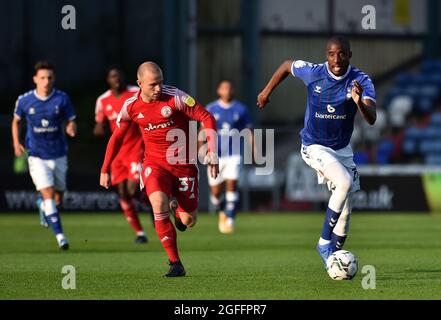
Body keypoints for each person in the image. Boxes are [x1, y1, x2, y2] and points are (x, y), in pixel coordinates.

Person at [257, 36, 377, 268]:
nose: (336, 59)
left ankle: (333, 260)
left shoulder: (361, 80)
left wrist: (359, 101)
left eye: (341, 53)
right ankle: (323, 243)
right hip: (314, 146)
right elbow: (285, 66)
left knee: (346, 210)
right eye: (332, 54)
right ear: (326, 55)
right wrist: (265, 92)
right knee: (343, 183)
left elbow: (371, 118)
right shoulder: (313, 72)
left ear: (349, 55)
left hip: (342, 149)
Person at [100, 62, 218, 277]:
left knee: (189, 221)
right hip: (154, 164)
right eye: (153, 84)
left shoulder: (176, 98)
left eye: (161, 82)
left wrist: (213, 151)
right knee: (157, 204)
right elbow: (117, 137)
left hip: (184, 165)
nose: (158, 89)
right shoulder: (131, 106)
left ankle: (177, 210)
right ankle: (175, 263)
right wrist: (105, 168)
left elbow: (207, 117)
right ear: (139, 84)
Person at [11, 61, 77, 250]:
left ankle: (43, 205)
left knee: (58, 196)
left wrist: (71, 127)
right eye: (42, 78)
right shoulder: (24, 100)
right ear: (35, 80)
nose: (46, 81)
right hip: (36, 155)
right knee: (48, 193)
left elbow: (71, 121)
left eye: (49, 77)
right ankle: (61, 237)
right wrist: (17, 143)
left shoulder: (62, 99)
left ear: (53, 79)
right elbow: (16, 122)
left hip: (59, 154)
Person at [94, 65, 149, 244]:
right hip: (118, 153)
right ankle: (140, 233)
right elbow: (98, 125)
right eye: (112, 76)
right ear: (108, 80)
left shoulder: (135, 93)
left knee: (132, 190)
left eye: (119, 75)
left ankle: (153, 206)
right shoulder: (102, 100)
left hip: (136, 148)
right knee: (123, 194)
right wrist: (99, 128)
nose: (116, 79)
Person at [201, 79, 254, 234]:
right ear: (219, 90)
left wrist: (254, 150)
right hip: (215, 155)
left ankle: (229, 219)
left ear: (233, 90)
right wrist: (202, 150)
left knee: (232, 184)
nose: (227, 91)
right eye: (224, 88)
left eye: (230, 88)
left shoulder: (241, 109)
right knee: (216, 194)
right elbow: (202, 132)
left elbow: (249, 131)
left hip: (234, 154)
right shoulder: (210, 108)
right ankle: (223, 209)